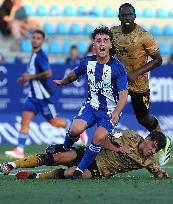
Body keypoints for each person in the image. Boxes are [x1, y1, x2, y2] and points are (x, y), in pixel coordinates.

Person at [52, 26, 128, 179]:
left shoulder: (117, 67)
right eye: (98, 41)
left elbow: (124, 94)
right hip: (91, 106)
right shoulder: (87, 63)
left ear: (110, 45)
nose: (102, 44)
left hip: (109, 112)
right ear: (93, 45)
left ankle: (80, 170)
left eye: (105, 41)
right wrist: (63, 82)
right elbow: (75, 74)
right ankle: (65, 147)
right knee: (74, 130)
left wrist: (116, 112)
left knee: (97, 138)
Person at [110, 3, 171, 166]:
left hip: (139, 85)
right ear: (119, 17)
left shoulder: (144, 36)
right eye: (124, 15)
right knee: (107, 113)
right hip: (120, 83)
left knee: (143, 118)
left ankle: (163, 141)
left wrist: (136, 73)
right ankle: (102, 144)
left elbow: (158, 60)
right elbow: (109, 53)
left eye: (130, 15)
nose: (127, 18)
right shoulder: (113, 33)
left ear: (135, 17)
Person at [4, 30, 70, 159]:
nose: (35, 40)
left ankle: (75, 127)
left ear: (42, 41)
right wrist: (25, 78)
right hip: (32, 97)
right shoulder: (32, 55)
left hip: (43, 97)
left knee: (55, 122)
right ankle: (19, 149)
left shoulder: (41, 55)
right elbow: (32, 74)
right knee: (24, 122)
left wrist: (30, 77)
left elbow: (48, 73)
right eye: (33, 37)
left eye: (38, 38)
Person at [0, 130, 169, 179]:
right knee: (58, 157)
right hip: (92, 154)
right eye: (153, 146)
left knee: (70, 172)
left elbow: (159, 173)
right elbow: (100, 139)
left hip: (100, 171)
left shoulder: (149, 161)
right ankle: (12, 165)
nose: (152, 151)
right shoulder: (129, 136)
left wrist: (164, 174)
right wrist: (116, 148)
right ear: (147, 138)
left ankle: (35, 177)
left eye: (156, 150)